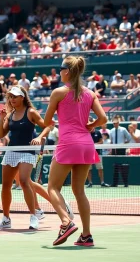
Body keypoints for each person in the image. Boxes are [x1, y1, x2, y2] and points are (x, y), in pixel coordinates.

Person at [44, 56, 107, 246]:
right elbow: (103, 118)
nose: (58, 72)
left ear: (66, 72)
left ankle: (65, 222)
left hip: (68, 143)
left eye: (60, 69)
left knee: (53, 187)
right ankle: (86, 235)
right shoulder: (90, 93)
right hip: (86, 145)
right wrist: (91, 125)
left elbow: (47, 121)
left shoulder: (58, 92)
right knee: (79, 191)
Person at [0, 85, 51, 230]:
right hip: (12, 151)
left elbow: (47, 126)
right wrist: (1, 119)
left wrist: (39, 137)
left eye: (15, 96)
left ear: (22, 97)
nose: (12, 99)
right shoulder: (10, 114)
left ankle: (33, 216)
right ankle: (6, 219)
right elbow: (0, 134)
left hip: (27, 151)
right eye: (10, 97)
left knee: (25, 181)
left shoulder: (31, 112)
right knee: (6, 185)